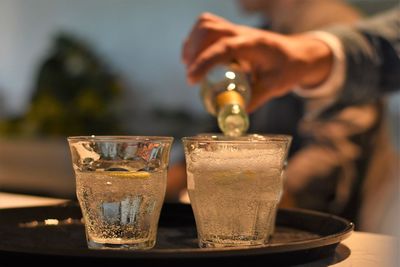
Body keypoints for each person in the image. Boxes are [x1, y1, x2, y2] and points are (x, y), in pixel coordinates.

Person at [179, 6, 399, 230]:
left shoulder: (329, 21)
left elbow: (334, 151)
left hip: (323, 229)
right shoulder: (266, 30)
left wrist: (261, 197)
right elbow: (220, 127)